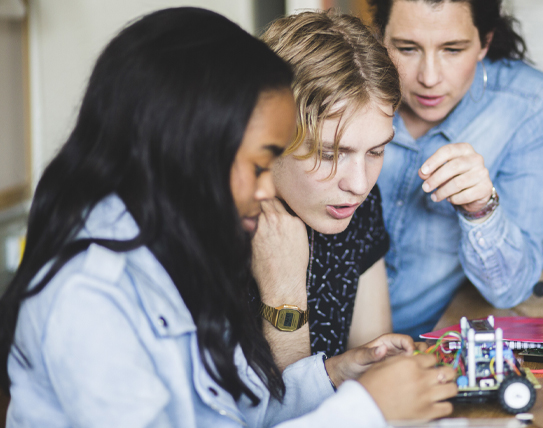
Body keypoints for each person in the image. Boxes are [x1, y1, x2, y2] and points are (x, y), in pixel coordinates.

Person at [0, 7, 456, 426]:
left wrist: (335, 373)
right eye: (258, 162)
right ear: (187, 149)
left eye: (376, 151)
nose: (263, 191)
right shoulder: (90, 293)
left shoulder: (182, 244)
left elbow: (234, 411)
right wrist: (366, 410)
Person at [368, 0, 543, 336]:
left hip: (430, 347)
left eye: (453, 49)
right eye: (406, 48)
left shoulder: (529, 103)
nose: (429, 77)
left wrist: (481, 211)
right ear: (380, 37)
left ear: (484, 42)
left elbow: (510, 290)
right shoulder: (347, 85)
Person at [257, 11, 400, 363]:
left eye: (376, 151)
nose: (360, 184)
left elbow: (373, 365)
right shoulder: (206, 227)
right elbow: (263, 415)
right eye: (329, 153)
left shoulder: (358, 205)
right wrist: (283, 288)